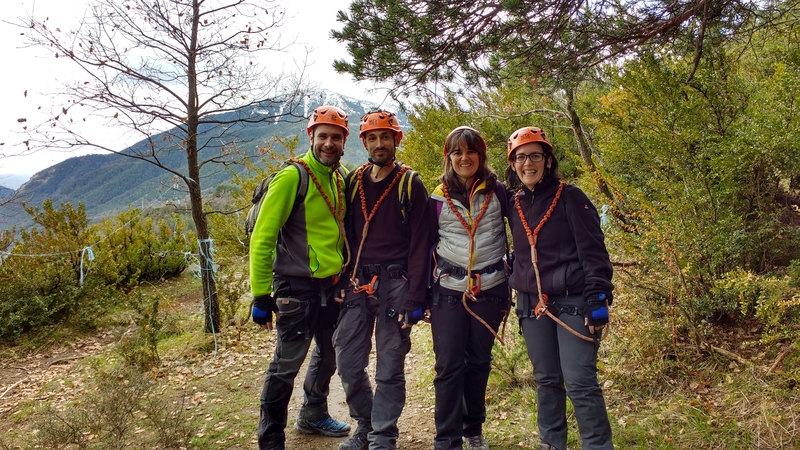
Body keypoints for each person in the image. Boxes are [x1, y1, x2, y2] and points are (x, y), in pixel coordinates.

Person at [249, 105, 352, 450]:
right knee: (286, 364)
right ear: (311, 137)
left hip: (330, 286)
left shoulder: (340, 177)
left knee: (328, 354)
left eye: (335, 137)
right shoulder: (293, 177)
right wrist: (261, 295)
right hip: (295, 288)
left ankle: (312, 413)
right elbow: (263, 237)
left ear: (343, 141)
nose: (328, 143)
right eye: (322, 136)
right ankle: (271, 439)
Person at [504, 126, 615, 450]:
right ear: (513, 165)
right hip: (532, 306)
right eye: (521, 158)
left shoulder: (571, 197)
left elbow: (594, 252)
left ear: (548, 160)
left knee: (580, 382)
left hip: (574, 303)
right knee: (547, 382)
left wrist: (597, 296)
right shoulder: (515, 204)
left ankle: (598, 446)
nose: (528, 163)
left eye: (535, 156)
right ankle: (551, 444)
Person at [333, 109, 430, 450]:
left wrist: (417, 298)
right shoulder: (354, 180)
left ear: (396, 140)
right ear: (364, 142)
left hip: (396, 283)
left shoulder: (409, 183)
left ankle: (383, 435)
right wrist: (340, 281)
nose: (379, 144)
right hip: (358, 282)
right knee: (347, 360)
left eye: (385, 137)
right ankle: (365, 422)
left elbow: (421, 244)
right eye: (372, 138)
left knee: (389, 364)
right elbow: (344, 233)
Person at [427, 126, 511, 450]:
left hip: (490, 288)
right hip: (448, 289)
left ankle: (472, 429)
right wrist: (422, 295)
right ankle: (446, 441)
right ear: (449, 157)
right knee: (448, 365)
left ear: (481, 155)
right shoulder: (436, 196)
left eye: (471, 151)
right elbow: (424, 245)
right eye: (457, 152)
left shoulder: (499, 191)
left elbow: (518, 228)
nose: (464, 158)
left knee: (478, 362)